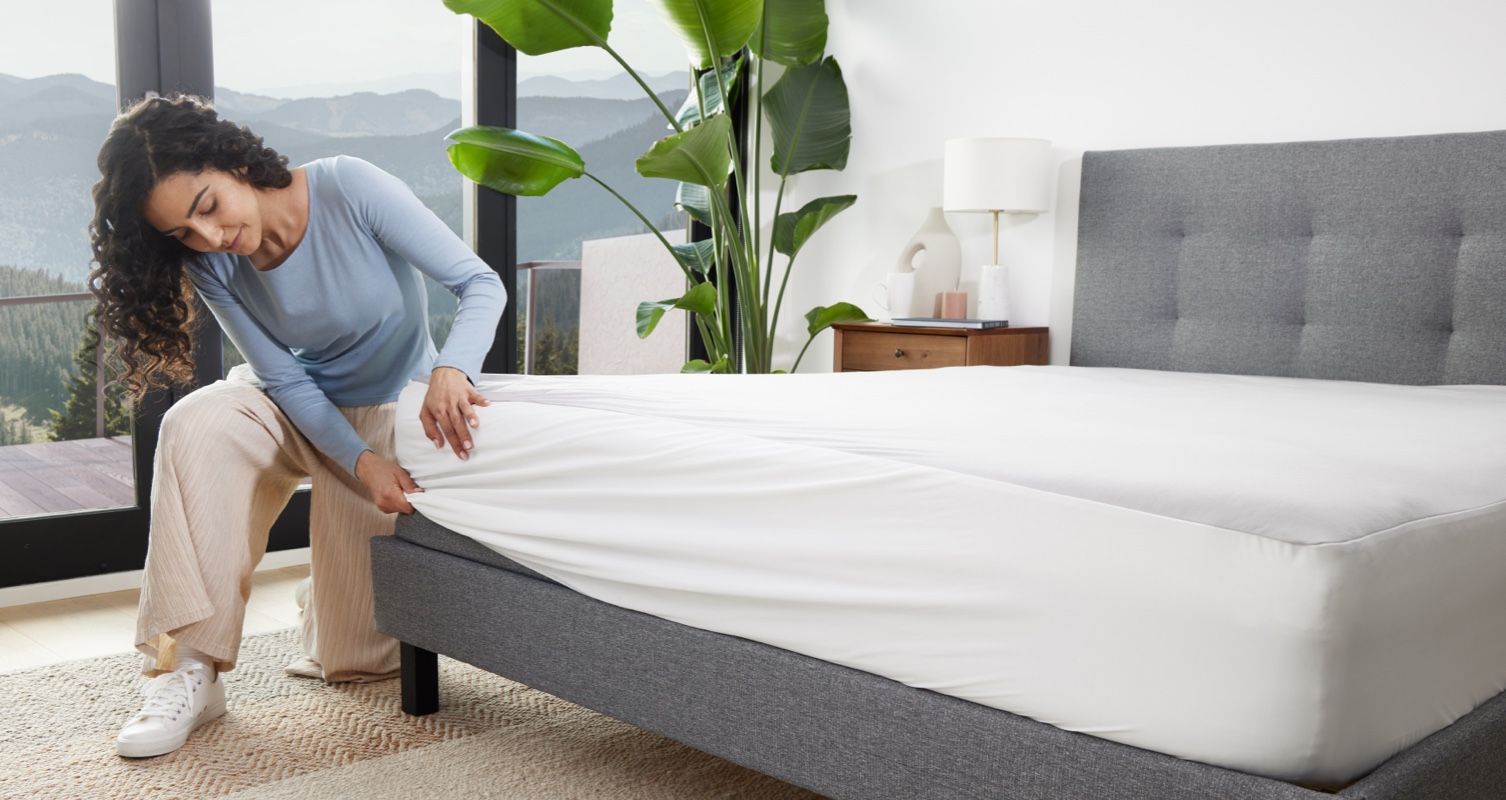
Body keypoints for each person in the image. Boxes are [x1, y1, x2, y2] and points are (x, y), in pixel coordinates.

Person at [88, 94, 505, 758]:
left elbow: (479, 283)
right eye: (183, 234)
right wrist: (360, 464)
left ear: (231, 160)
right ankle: (189, 667)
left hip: (384, 406)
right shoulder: (210, 261)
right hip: (289, 406)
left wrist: (453, 368)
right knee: (195, 421)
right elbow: (284, 379)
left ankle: (322, 599)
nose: (209, 238)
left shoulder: (350, 187)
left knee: (356, 660)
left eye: (207, 207)